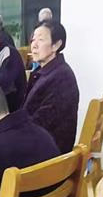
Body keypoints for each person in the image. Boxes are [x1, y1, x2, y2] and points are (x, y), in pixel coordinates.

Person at [23, 20, 79, 154]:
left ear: (56, 45)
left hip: (49, 152)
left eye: (41, 40)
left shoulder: (62, 78)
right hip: (40, 142)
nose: (34, 45)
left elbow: (41, 123)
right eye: (33, 40)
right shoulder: (46, 71)